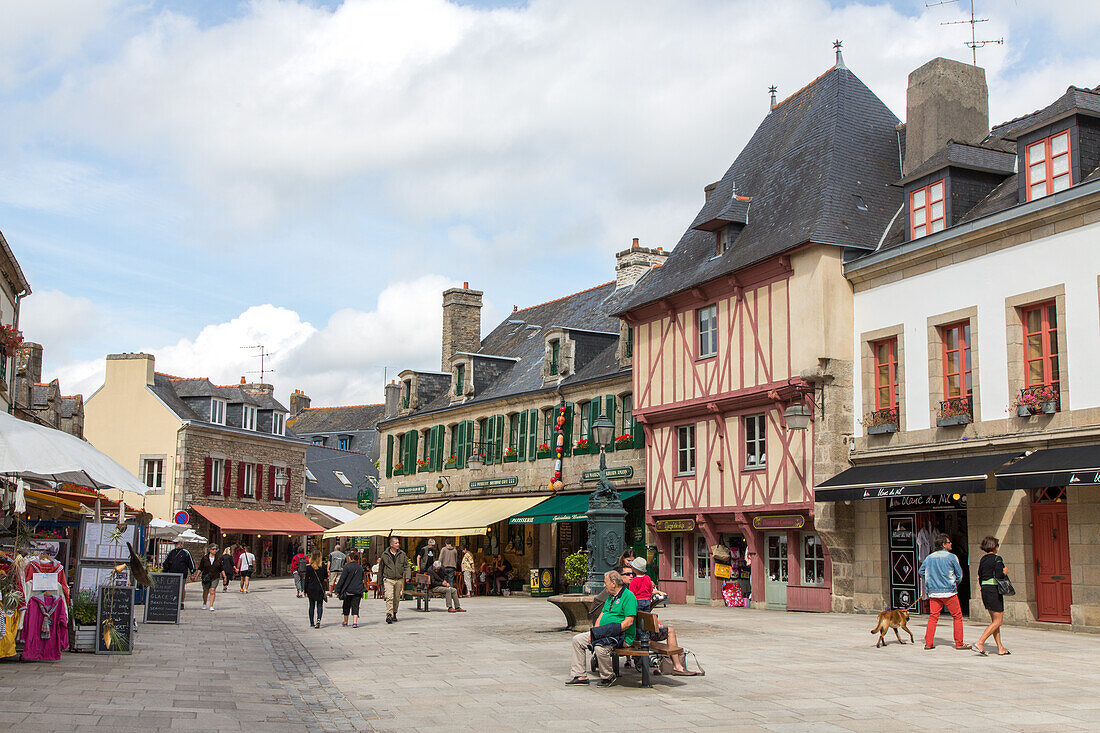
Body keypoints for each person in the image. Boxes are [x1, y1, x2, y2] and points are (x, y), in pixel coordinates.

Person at [566, 571, 637, 687]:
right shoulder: (611, 597)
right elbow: (602, 615)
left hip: (620, 636)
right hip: (604, 633)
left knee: (600, 648)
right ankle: (580, 675)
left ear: (613, 583)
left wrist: (611, 631)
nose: (604, 585)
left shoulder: (629, 597)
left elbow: (629, 622)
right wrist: (595, 633)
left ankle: (608, 676)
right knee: (577, 640)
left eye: (606, 583)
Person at [918, 533, 970, 650]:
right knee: (957, 616)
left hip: (934, 593)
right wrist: (953, 584)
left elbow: (921, 572)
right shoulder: (952, 557)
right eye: (948, 542)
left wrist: (930, 583)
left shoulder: (929, 557)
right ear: (943, 544)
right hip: (949, 592)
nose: (951, 543)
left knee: (933, 617)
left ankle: (929, 643)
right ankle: (959, 643)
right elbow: (959, 575)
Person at [974, 536, 1011, 656]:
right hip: (994, 590)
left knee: (995, 621)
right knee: (998, 621)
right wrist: (1004, 572)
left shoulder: (983, 559)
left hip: (985, 589)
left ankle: (1000, 648)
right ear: (994, 547)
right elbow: (999, 575)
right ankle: (980, 642)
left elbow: (980, 575)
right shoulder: (997, 559)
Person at [380, 536, 409, 624]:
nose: (398, 544)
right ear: (391, 544)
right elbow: (381, 568)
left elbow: (406, 566)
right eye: (396, 543)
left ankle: (394, 613)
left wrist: (408, 576)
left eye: (398, 543)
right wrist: (380, 581)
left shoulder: (402, 554)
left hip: (399, 579)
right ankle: (389, 614)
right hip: (388, 579)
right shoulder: (385, 555)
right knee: (389, 597)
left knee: (396, 597)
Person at [335, 550, 367, 627]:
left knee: (346, 606)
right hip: (357, 590)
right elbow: (362, 579)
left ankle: (345, 621)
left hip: (348, 590)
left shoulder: (347, 567)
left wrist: (337, 589)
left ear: (350, 558)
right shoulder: (360, 568)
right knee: (355, 606)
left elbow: (342, 579)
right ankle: (355, 622)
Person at [163, 539, 196, 609]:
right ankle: (173, 601)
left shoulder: (186, 553)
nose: (177, 545)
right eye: (176, 543)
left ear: (181, 543)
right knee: (172, 588)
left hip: (182, 574)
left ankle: (181, 602)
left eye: (177, 543)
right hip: (172, 573)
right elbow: (166, 562)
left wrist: (192, 572)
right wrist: (164, 571)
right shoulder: (171, 553)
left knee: (181, 588)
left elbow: (191, 563)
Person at [302, 549, 329, 628]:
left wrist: (305, 590)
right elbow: (325, 577)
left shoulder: (309, 567)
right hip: (320, 588)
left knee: (311, 605)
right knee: (319, 605)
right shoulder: (323, 566)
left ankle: (311, 622)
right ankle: (318, 620)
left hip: (311, 588)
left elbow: (306, 579)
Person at [198, 544, 221, 612]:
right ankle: (204, 603)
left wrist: (225, 577)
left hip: (215, 576)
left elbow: (221, 568)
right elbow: (200, 568)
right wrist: (196, 576)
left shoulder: (218, 558)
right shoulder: (205, 558)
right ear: (209, 550)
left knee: (212, 590)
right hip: (206, 576)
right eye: (213, 549)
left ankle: (211, 605)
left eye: (215, 549)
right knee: (206, 590)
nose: (214, 550)